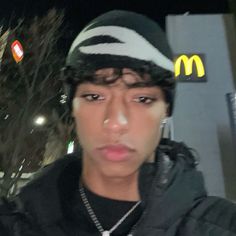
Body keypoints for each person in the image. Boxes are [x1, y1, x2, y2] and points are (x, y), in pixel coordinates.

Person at [0, 9, 236, 236]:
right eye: (94, 97)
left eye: (142, 98)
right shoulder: (19, 223)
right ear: (72, 107)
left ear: (166, 110)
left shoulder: (218, 226)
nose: (115, 122)